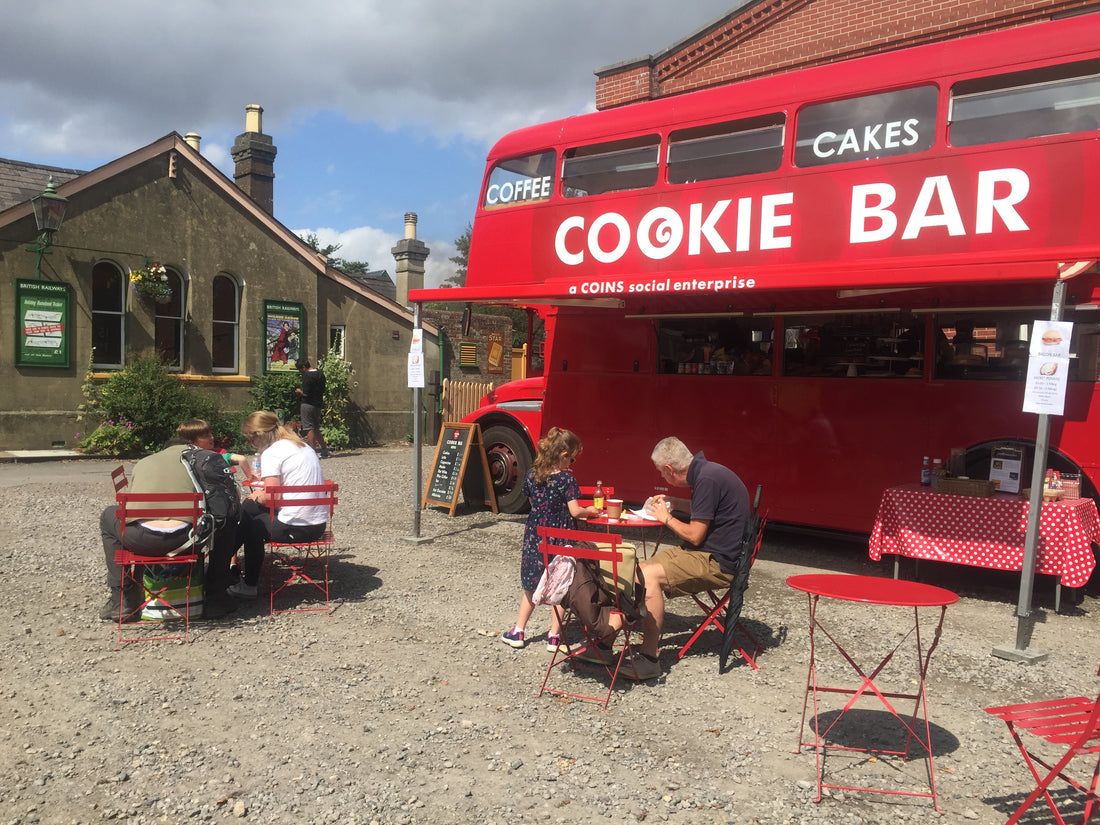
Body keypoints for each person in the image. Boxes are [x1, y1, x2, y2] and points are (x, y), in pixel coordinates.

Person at [630, 436, 750, 680]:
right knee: (635, 570)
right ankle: (632, 628)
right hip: (717, 553)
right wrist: (675, 503)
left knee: (646, 575)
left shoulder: (705, 480)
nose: (662, 478)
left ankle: (649, 659)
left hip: (716, 562)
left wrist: (666, 518)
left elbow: (695, 536)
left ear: (670, 470)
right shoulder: (709, 472)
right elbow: (706, 508)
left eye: (661, 474)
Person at [99, 440, 238, 622]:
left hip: (142, 540)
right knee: (226, 518)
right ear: (189, 449)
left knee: (108, 515)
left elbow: (131, 504)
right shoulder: (197, 463)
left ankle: (121, 599)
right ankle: (215, 596)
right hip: (188, 541)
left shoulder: (144, 462)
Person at [501, 427, 601, 650]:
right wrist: (590, 511)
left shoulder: (531, 475)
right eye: (572, 458)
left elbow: (531, 501)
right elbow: (575, 511)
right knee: (561, 584)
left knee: (532, 583)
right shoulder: (567, 480)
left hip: (536, 535)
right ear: (565, 456)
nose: (572, 463)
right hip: (561, 536)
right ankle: (554, 636)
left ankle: (519, 631)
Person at [228, 410, 327, 599]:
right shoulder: (303, 446)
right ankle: (226, 561)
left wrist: (257, 496)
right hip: (317, 526)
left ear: (260, 434)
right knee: (249, 510)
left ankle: (233, 571)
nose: (250, 444)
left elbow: (272, 498)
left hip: (297, 528)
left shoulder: (273, 453)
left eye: (251, 439)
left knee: (251, 523)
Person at [176, 418, 255, 480]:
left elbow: (242, 459)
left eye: (211, 434)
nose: (212, 438)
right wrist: (250, 478)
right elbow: (242, 459)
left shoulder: (184, 458)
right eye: (206, 436)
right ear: (192, 442)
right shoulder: (218, 455)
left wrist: (249, 478)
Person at [295, 359, 330, 458]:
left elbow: (306, 393)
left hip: (307, 404)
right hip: (317, 404)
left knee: (309, 428)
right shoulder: (320, 374)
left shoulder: (307, 376)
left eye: (300, 370)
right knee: (316, 427)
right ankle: (323, 448)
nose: (300, 372)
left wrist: (299, 391)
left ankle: (311, 452)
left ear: (304, 367)